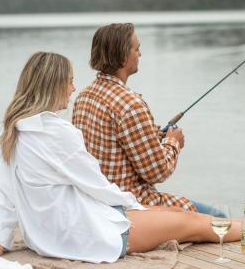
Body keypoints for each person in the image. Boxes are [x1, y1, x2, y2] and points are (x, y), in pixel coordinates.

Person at [0, 52, 245, 263]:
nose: (73, 88)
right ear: (53, 85)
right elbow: (96, 185)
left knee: (187, 218)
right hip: (87, 235)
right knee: (194, 224)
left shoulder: (15, 132)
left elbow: (5, 195)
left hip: (49, 236)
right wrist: (134, 205)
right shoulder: (56, 133)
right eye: (68, 81)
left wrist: (1, 240)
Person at [72, 23, 215, 214]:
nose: (140, 54)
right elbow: (157, 172)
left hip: (95, 201)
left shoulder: (84, 96)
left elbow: (115, 143)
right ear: (123, 55)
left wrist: (153, 135)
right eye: (137, 48)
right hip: (131, 204)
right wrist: (173, 142)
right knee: (217, 216)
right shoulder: (131, 104)